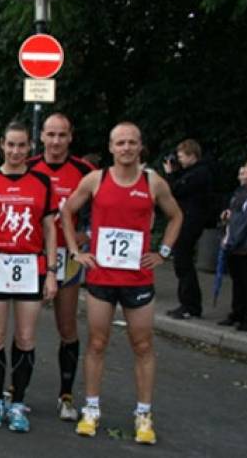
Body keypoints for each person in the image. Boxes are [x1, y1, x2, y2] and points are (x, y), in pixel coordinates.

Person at [62, 121, 182, 445]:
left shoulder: (152, 182)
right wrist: (76, 252)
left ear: (140, 146)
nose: (126, 148)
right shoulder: (96, 179)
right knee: (97, 343)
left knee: (142, 345)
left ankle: (144, 413)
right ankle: (91, 408)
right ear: (111, 147)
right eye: (120, 143)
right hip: (102, 276)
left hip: (138, 277)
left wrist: (164, 252)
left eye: (132, 142)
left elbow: (176, 215)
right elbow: (67, 211)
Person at [0, 121, 59, 433]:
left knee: (25, 337)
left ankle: (18, 400)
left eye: (22, 145)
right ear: (2, 145)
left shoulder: (41, 181)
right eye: (10, 145)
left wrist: (51, 272)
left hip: (31, 268)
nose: (15, 151)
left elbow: (50, 229)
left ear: (30, 147)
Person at [28, 113, 95, 421]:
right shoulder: (28, 166)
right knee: (22, 327)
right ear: (41, 136)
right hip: (31, 255)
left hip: (67, 257)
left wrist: (86, 236)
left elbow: (104, 213)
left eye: (61, 135)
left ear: (70, 137)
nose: (55, 142)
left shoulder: (85, 171)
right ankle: (14, 393)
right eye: (50, 135)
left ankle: (66, 395)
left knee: (66, 326)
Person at [163, 139, 213, 319]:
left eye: (182, 156)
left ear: (193, 155)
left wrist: (170, 175)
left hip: (190, 221)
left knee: (183, 262)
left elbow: (174, 191)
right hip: (187, 219)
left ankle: (190, 305)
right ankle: (187, 303)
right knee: (181, 262)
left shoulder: (199, 174)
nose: (179, 160)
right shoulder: (191, 173)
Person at [219, 155, 247, 331]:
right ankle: (237, 312)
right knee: (238, 280)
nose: (244, 169)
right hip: (236, 241)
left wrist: (235, 217)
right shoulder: (243, 190)